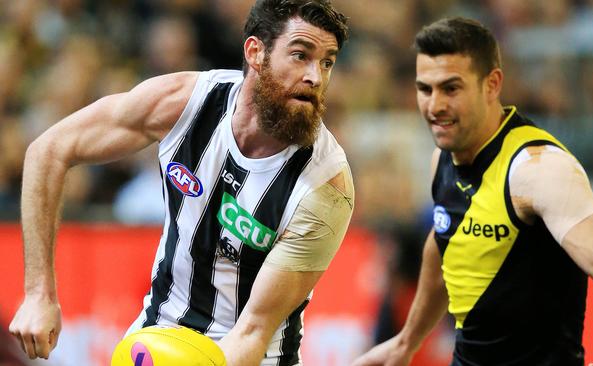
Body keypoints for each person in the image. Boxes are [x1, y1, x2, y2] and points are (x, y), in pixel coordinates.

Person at [8, 1, 353, 365]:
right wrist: (38, 294)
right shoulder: (184, 103)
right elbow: (48, 150)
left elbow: (253, 330)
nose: (316, 76)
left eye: (327, 62)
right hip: (157, 336)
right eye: (301, 55)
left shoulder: (326, 187)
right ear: (255, 52)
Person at [353, 17, 593, 366]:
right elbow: (444, 241)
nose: (435, 106)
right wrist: (406, 341)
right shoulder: (442, 159)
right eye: (425, 89)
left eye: (451, 88)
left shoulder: (539, 169)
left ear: (492, 84)